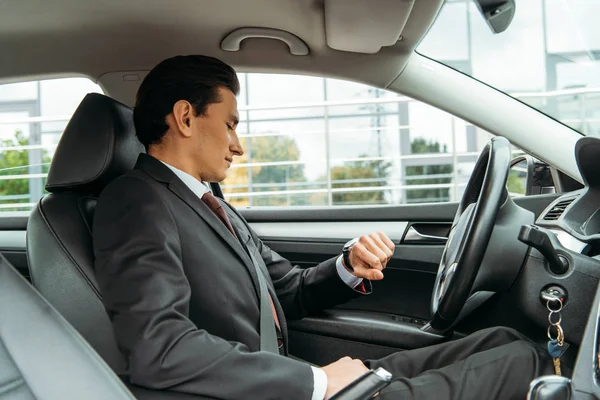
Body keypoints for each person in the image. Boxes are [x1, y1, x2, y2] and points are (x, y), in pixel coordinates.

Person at [93, 55, 554, 400]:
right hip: (264, 391)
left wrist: (350, 265)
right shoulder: (136, 200)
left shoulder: (211, 204)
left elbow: (287, 291)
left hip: (286, 379)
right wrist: (316, 381)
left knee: (505, 341)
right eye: (230, 125)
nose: (238, 146)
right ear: (186, 117)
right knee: (520, 363)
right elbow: (160, 347)